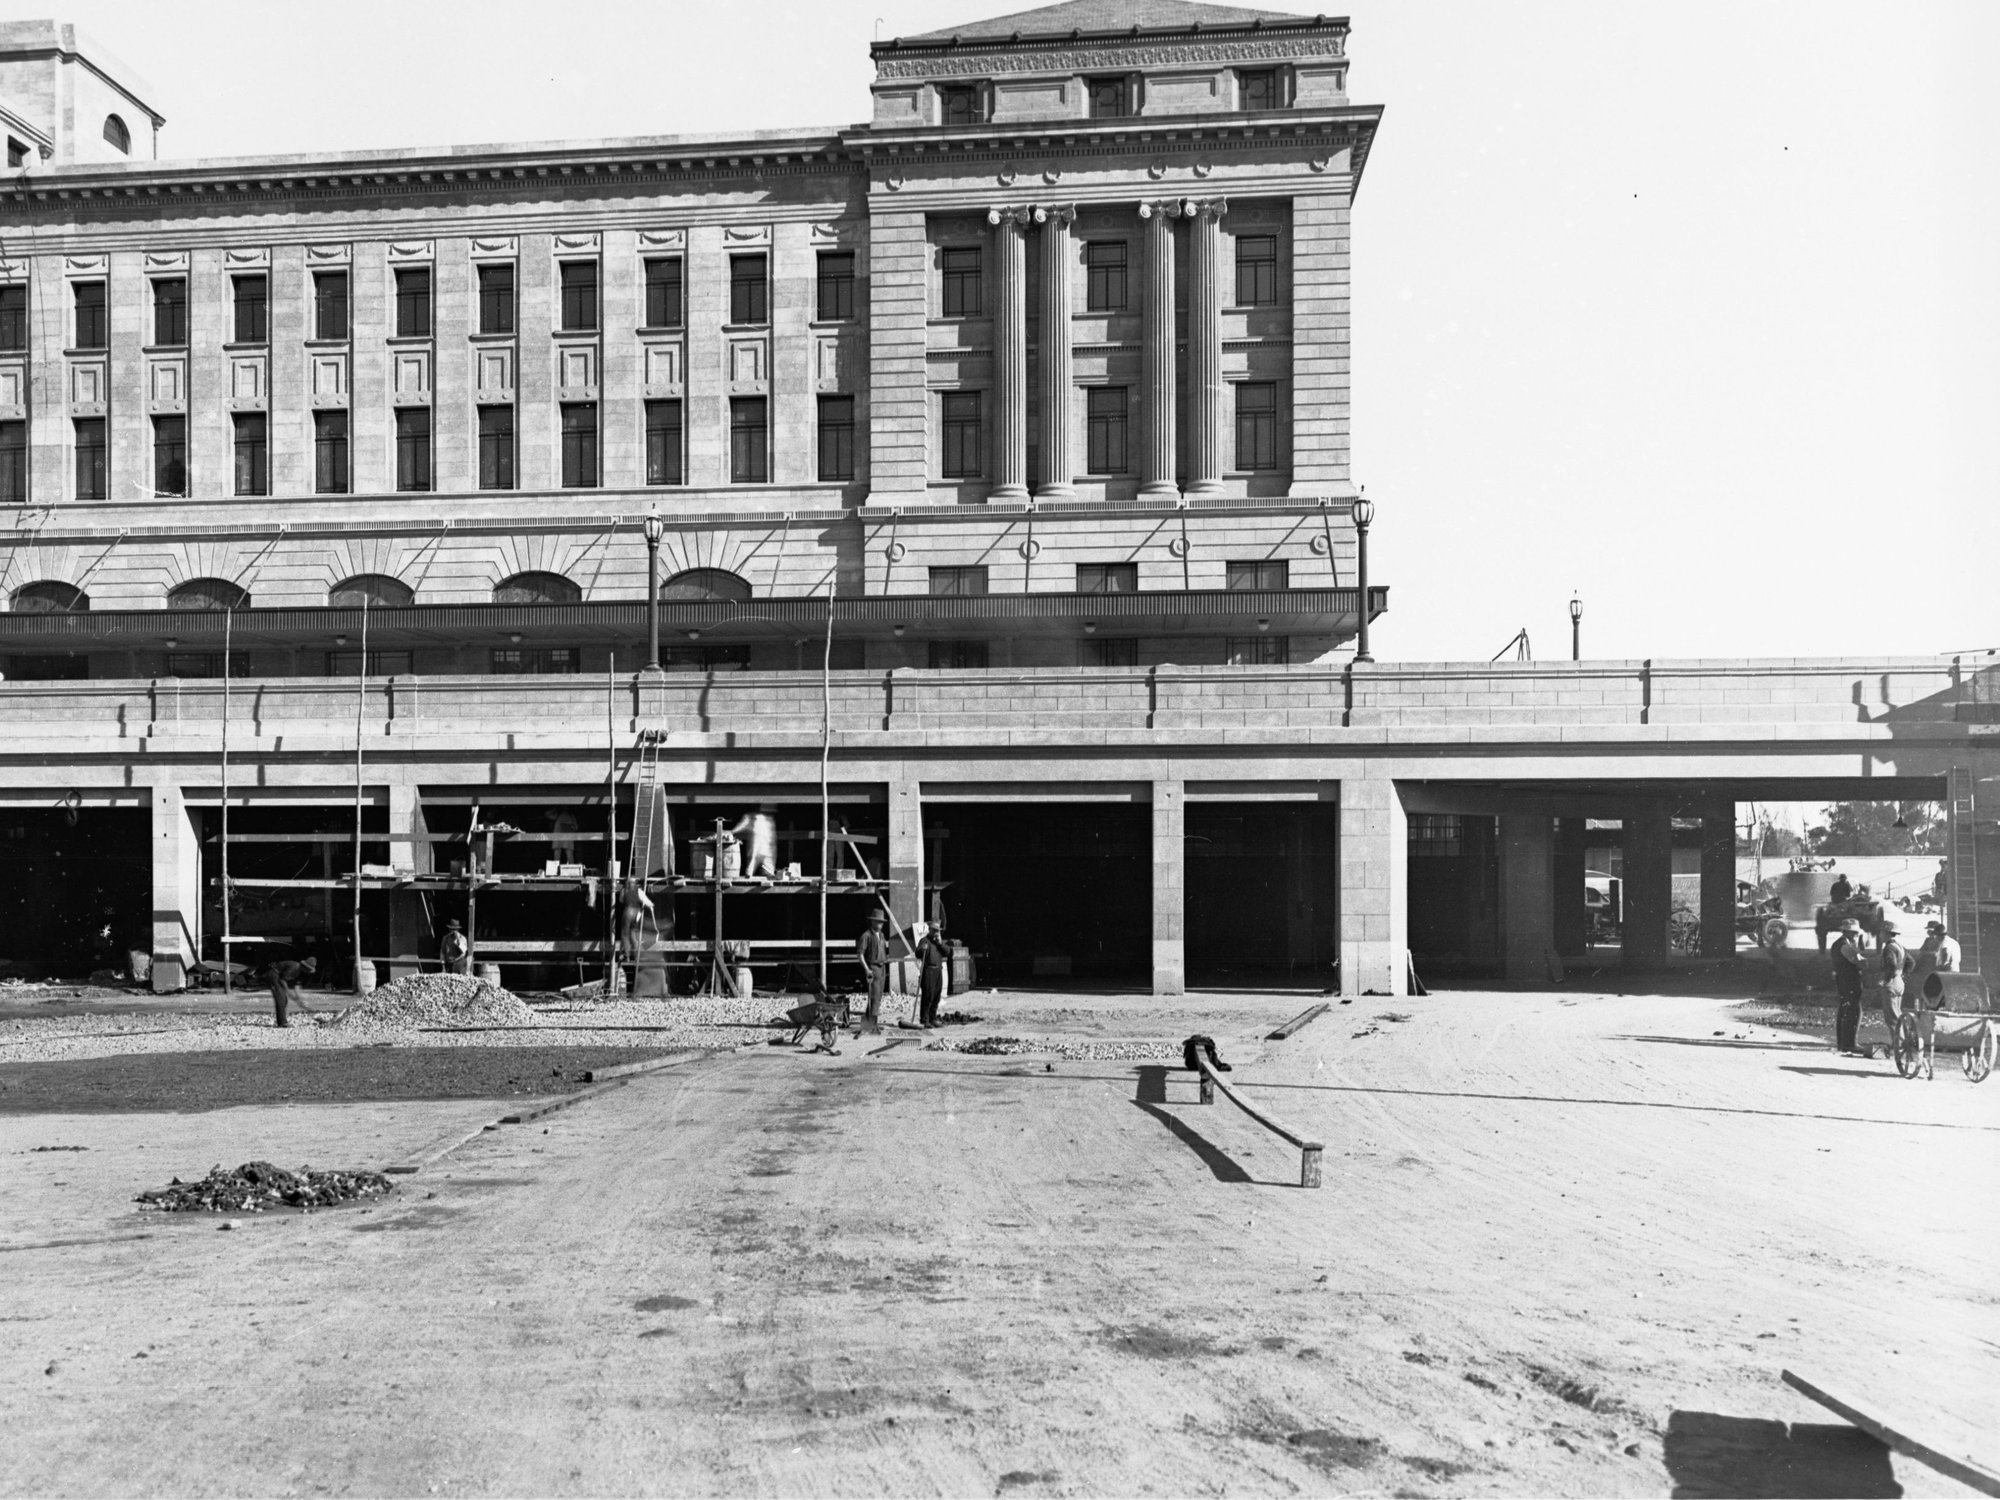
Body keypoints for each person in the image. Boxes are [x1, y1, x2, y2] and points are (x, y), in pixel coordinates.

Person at [1829, 917, 1868, 1055]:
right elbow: (1860, 962)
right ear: (1848, 932)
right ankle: (1850, 1043)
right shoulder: (1846, 946)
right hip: (1850, 980)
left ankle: (1843, 1043)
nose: (1857, 935)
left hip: (1842, 979)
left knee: (1844, 1010)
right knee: (1853, 1011)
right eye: (1855, 933)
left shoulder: (1839, 944)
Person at [1876, 917, 1911, 1051]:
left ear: (1886, 933)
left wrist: (1887, 978)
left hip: (1891, 983)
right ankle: (1901, 1042)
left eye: (1881, 932)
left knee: (1891, 1017)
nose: (1880, 935)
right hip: (1899, 982)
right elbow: (1911, 962)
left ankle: (1899, 1045)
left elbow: (1890, 964)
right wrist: (1902, 974)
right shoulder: (1900, 946)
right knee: (1897, 1013)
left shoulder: (1889, 948)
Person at [264, 954, 317, 1028]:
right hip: (274, 976)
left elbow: (297, 986)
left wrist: (299, 999)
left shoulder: (300, 973)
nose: (308, 971)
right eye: (308, 969)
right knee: (281, 999)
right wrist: (289, 993)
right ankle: (283, 1023)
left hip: (280, 978)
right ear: (305, 967)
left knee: (284, 1000)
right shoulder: (294, 966)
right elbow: (282, 980)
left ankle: (281, 1021)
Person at [856, 909, 889, 1026]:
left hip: (882, 967)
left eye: (882, 922)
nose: (881, 924)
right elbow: (860, 954)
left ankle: (867, 1022)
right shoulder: (866, 936)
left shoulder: (882, 935)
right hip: (872, 967)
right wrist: (867, 969)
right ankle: (872, 1024)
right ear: (873, 922)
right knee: (874, 996)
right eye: (879, 922)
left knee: (879, 995)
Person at [916, 920, 950, 1029]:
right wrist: (922, 949)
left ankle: (933, 1018)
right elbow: (918, 953)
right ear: (929, 930)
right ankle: (925, 1020)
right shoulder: (924, 941)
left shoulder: (938, 943)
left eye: (938, 931)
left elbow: (947, 952)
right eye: (934, 930)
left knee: (936, 996)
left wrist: (940, 943)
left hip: (938, 971)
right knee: (928, 996)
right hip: (928, 971)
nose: (936, 933)